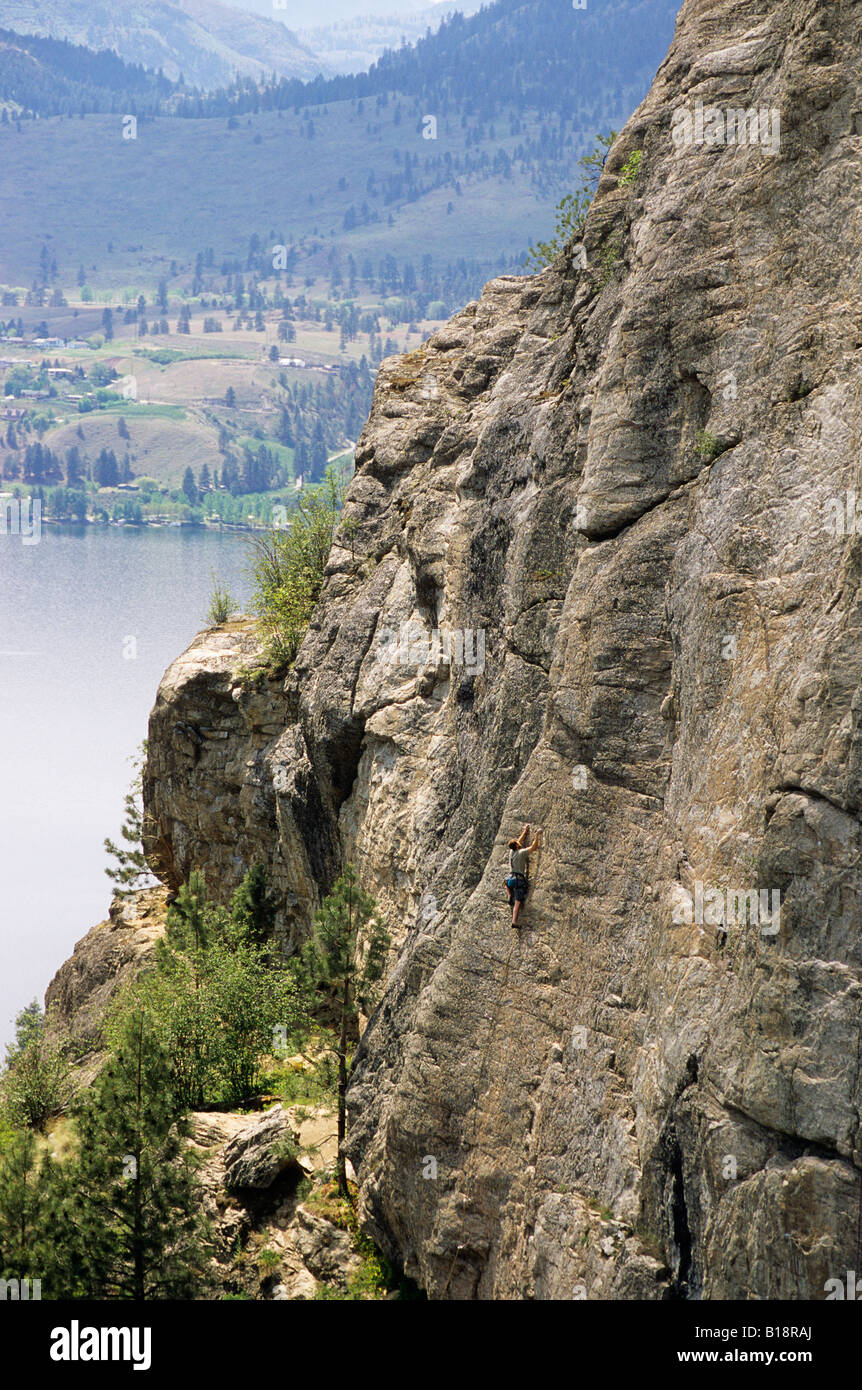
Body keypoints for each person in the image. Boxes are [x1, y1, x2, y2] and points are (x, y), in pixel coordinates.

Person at [505, 823, 542, 926]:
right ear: (517, 846)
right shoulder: (522, 853)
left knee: (505, 882)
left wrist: (525, 832)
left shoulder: (511, 853)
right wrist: (537, 835)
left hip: (509, 880)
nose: (519, 842)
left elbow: (519, 840)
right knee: (517, 903)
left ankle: (509, 895)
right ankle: (514, 922)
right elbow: (534, 847)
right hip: (518, 881)